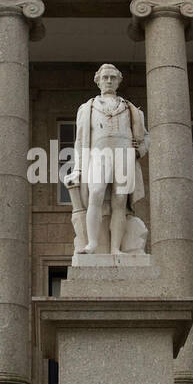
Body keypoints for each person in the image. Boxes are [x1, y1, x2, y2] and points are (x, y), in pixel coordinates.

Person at [64, 63, 150, 255]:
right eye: (105, 77)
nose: (109, 81)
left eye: (113, 77)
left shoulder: (131, 109)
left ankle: (115, 248)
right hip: (98, 154)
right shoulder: (87, 108)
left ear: (119, 81)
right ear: (98, 80)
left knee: (120, 201)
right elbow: (79, 141)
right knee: (95, 194)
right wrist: (78, 169)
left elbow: (145, 137)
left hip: (124, 154)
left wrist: (138, 151)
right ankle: (92, 243)